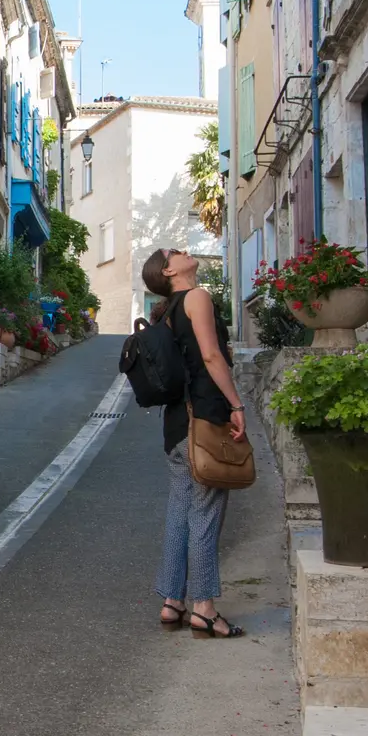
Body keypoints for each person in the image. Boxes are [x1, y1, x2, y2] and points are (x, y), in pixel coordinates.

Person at [142, 246, 248, 639]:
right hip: (202, 418)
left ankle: (173, 600)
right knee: (205, 510)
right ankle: (204, 607)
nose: (185, 251)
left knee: (181, 508)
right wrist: (236, 404)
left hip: (175, 424)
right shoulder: (196, 297)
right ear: (169, 270)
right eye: (175, 252)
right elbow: (211, 356)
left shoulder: (167, 312)